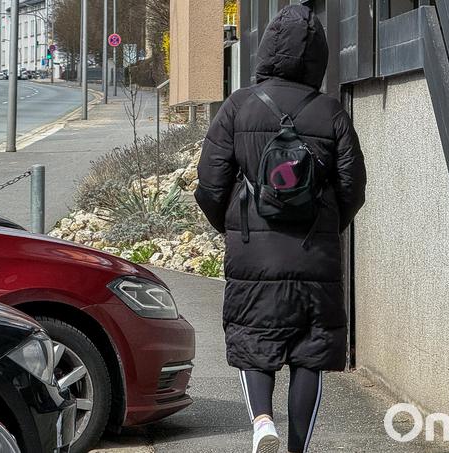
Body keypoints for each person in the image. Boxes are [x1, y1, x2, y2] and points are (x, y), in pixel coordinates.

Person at [194, 4, 367, 453]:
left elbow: (210, 183)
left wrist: (232, 226)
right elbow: (353, 187)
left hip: (253, 249)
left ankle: (262, 423)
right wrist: (329, 225)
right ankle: (296, 448)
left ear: (267, 49)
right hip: (315, 253)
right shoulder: (330, 112)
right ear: (319, 58)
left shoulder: (238, 107)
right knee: (310, 353)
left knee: (255, 340)